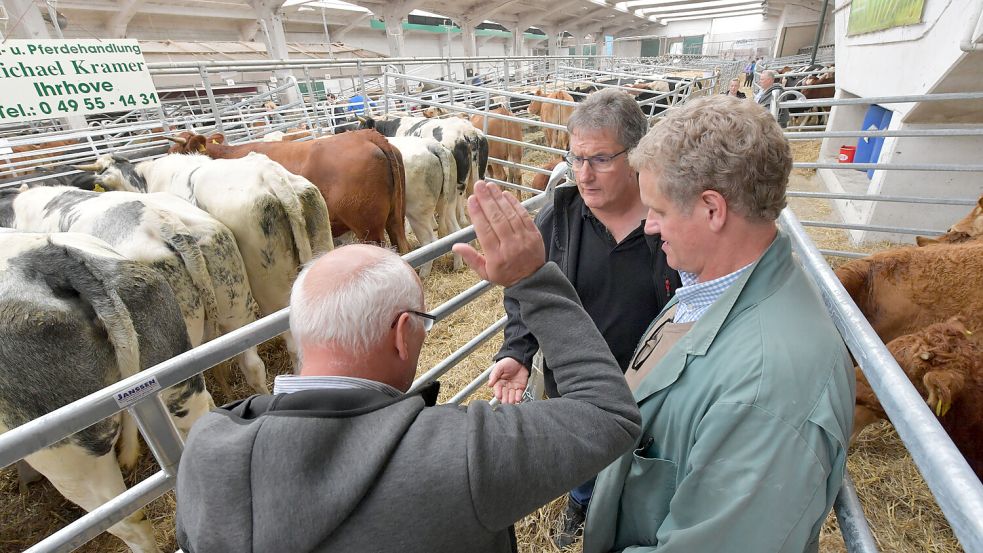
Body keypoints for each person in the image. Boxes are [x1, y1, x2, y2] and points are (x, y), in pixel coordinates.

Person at [174, 181, 643, 553]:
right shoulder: (460, 453)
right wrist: (532, 281)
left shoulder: (208, 449)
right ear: (403, 334)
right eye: (423, 320)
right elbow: (609, 416)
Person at [582, 94, 855, 553]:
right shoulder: (705, 286)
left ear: (712, 209)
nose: (649, 226)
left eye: (660, 210)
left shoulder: (768, 391)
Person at [490, 87, 680, 547]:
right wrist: (517, 351)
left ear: (635, 156)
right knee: (586, 462)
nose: (583, 174)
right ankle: (581, 501)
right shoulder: (560, 217)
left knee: (650, 466)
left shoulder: (669, 219)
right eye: (575, 159)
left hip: (655, 385)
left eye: (599, 159)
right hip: (575, 386)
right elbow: (525, 292)